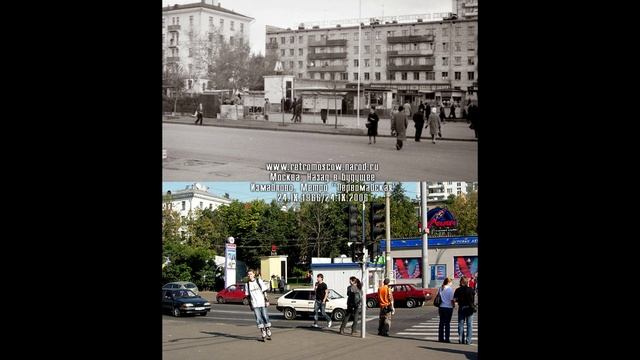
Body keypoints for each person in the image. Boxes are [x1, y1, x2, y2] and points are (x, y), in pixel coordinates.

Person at [245, 269, 273, 341]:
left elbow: (264, 291)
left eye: (251, 274)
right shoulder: (247, 284)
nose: (249, 275)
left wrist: (267, 300)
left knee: (265, 317)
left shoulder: (258, 280)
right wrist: (250, 305)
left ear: (254, 274)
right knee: (258, 319)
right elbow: (247, 296)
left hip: (262, 302)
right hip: (255, 304)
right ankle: (263, 332)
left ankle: (268, 330)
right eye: (248, 274)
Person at [454, 276, 476, 345]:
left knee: (461, 324)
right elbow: (473, 300)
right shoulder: (471, 289)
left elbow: (455, 299)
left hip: (461, 308)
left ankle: (461, 340)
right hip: (469, 308)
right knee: (469, 325)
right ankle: (468, 340)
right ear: (467, 282)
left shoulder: (458, 290)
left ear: (461, 282)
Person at [437, 277, 455, 343]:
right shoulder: (450, 289)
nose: (452, 283)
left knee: (441, 323)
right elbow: (452, 300)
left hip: (441, 307)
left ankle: (440, 338)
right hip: (448, 308)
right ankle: (447, 338)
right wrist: (454, 305)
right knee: (447, 323)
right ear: (449, 282)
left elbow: (439, 297)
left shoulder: (440, 288)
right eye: (451, 282)